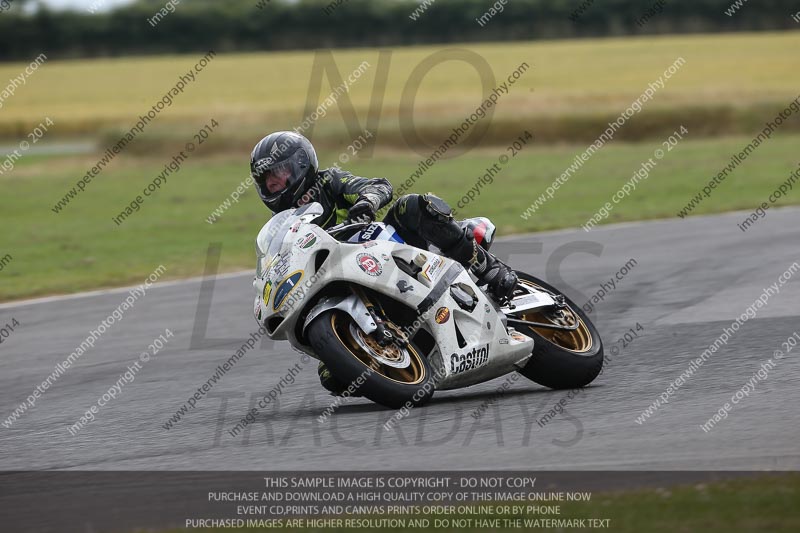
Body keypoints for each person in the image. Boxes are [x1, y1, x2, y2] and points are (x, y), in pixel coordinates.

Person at [250, 131, 519, 391]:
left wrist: (366, 203)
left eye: (277, 173)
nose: (271, 183)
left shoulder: (328, 182)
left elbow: (379, 185)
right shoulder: (281, 227)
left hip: (382, 248)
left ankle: (489, 268)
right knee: (332, 376)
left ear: (300, 164)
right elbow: (276, 262)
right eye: (265, 180)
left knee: (412, 206)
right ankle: (383, 348)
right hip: (338, 280)